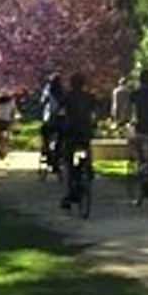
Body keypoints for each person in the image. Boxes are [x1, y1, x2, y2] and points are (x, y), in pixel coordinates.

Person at [58, 72, 101, 209]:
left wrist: (59, 122)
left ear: (71, 84)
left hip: (71, 131)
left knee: (69, 161)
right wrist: (94, 121)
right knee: (86, 146)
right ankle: (89, 166)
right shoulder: (89, 97)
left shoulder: (68, 96)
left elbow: (59, 111)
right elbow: (97, 109)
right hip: (85, 131)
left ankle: (71, 191)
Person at [39, 73, 66, 174]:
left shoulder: (48, 92)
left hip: (50, 120)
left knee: (45, 134)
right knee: (61, 138)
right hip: (61, 120)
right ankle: (58, 155)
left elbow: (42, 103)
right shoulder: (63, 92)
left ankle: (47, 152)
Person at [0, 91, 18, 158]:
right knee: (7, 136)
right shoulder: (11, 101)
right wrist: (14, 120)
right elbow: (13, 111)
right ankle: (4, 149)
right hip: (6, 121)